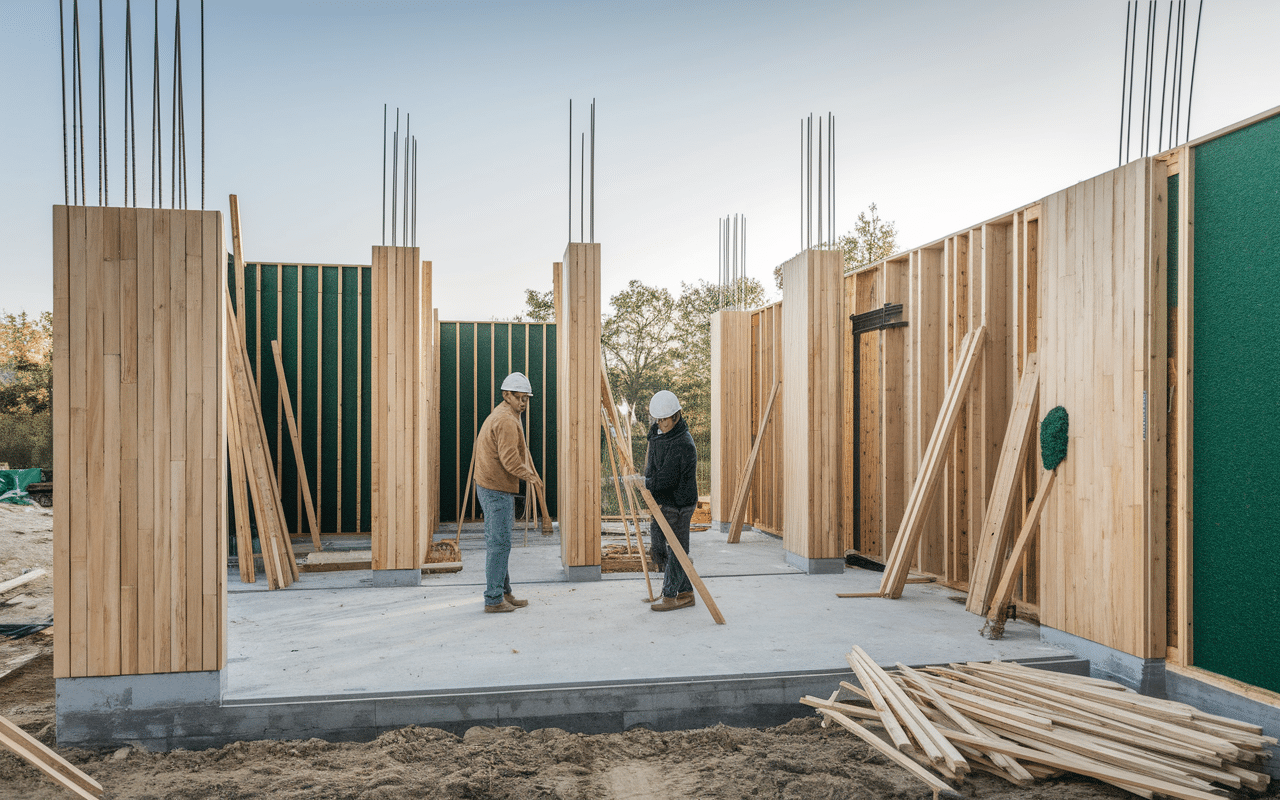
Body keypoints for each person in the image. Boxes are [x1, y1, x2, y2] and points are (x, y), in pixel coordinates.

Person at [474, 372, 544, 613]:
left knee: (498, 542)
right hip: (496, 488)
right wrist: (530, 476)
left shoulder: (506, 413)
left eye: (526, 398)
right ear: (506, 395)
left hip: (490, 484)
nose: (523, 403)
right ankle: (493, 599)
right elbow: (509, 460)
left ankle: (504, 593)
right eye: (519, 398)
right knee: (500, 544)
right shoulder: (506, 420)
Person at [642, 389, 699, 612]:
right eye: (658, 419)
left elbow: (667, 478)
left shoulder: (683, 443)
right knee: (660, 542)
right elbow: (653, 462)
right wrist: (647, 477)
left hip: (681, 503)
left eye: (665, 419)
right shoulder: (659, 433)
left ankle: (670, 594)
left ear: (676, 416)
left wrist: (646, 482)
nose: (661, 423)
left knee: (676, 548)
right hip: (666, 501)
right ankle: (685, 590)